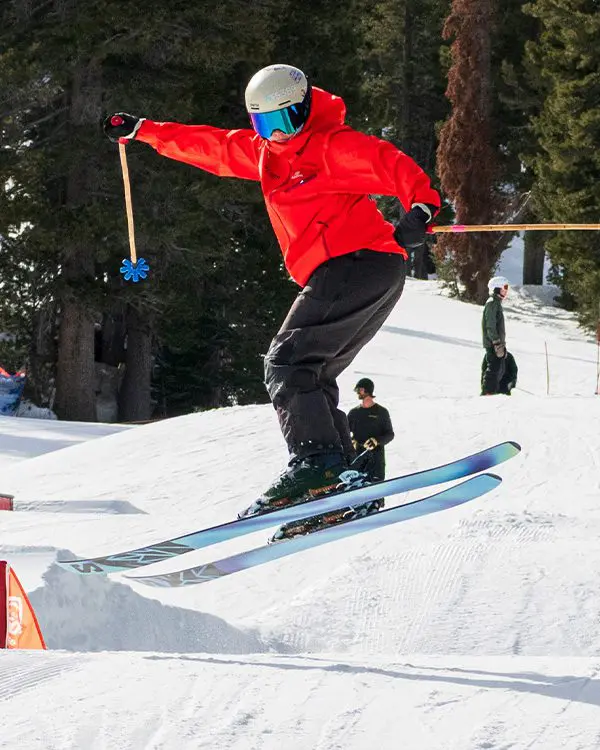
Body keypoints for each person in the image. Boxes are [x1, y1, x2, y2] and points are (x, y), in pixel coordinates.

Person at [104, 64, 440, 507]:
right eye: (266, 124)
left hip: (357, 263)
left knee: (285, 363)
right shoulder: (264, 154)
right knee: (311, 374)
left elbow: (388, 163)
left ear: (305, 110)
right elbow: (211, 146)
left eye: (287, 121)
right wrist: (144, 131)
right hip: (358, 272)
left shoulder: (330, 147)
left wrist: (421, 208)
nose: (279, 133)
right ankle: (342, 482)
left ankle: (317, 466)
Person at [347, 378, 394, 481]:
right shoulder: (353, 413)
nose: (358, 392)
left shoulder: (381, 412)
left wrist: (376, 441)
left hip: (376, 460)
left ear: (367, 390)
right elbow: (344, 434)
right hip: (358, 459)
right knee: (356, 491)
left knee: (376, 492)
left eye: (360, 389)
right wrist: (351, 442)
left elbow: (390, 434)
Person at [481, 276, 509, 395]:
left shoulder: (496, 303)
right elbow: (490, 325)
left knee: (499, 368)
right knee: (494, 368)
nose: (506, 291)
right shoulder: (492, 303)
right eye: (504, 288)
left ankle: (493, 391)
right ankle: (488, 392)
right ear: (496, 289)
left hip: (497, 343)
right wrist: (496, 342)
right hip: (493, 343)